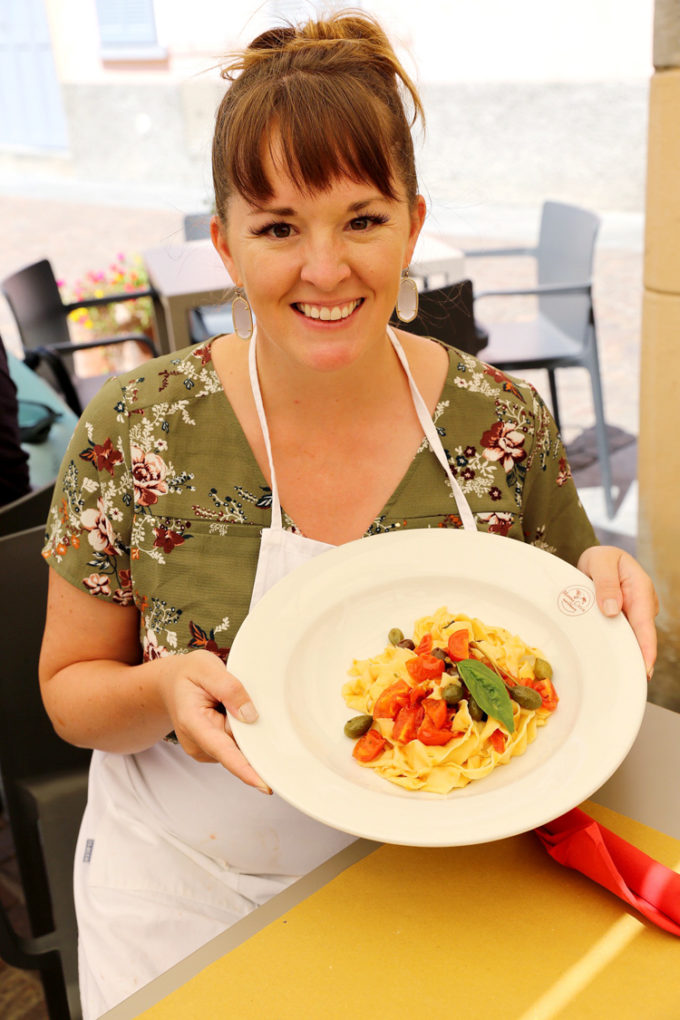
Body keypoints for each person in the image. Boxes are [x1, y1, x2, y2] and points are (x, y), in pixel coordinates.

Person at [38, 11, 658, 1018]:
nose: (324, 270)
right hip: (178, 900)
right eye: (278, 227)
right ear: (224, 246)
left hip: (439, 889)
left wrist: (606, 581)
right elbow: (69, 691)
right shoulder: (137, 429)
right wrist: (161, 694)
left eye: (360, 221)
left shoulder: (498, 425)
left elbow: (570, 624)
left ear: (413, 225)